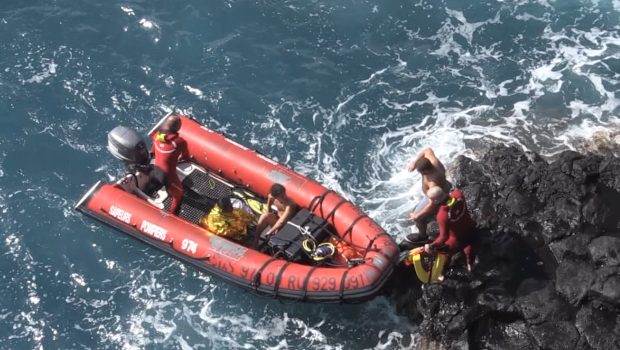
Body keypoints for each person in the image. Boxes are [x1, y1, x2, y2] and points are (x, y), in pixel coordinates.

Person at [420, 186, 478, 280]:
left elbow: (444, 237)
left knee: (445, 254)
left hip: (456, 238)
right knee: (469, 246)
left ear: (435, 200)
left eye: (430, 199)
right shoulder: (458, 194)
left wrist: (431, 246)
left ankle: (441, 274)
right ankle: (470, 265)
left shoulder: (442, 216)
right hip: (470, 227)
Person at [406, 147, 452, 242]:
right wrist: (415, 163)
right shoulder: (433, 161)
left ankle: (423, 237)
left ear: (424, 172)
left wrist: (417, 215)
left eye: (418, 170)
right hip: (445, 185)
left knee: (419, 219)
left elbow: (431, 204)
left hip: (435, 196)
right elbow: (426, 150)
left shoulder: (432, 182)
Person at [151, 114, 190, 215]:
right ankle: (172, 217)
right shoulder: (180, 142)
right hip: (168, 176)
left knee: (170, 186)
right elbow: (185, 157)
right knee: (178, 195)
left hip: (156, 170)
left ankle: (168, 190)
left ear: (166, 125)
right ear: (178, 127)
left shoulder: (156, 136)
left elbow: (154, 152)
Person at [252, 183, 299, 249]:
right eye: (281, 195)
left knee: (278, 225)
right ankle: (255, 241)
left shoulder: (290, 204)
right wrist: (269, 214)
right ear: (275, 197)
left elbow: (282, 220)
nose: (284, 196)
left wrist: (270, 231)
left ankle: (274, 240)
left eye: (284, 194)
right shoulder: (271, 197)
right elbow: (269, 203)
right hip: (277, 219)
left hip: (286, 225)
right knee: (264, 216)